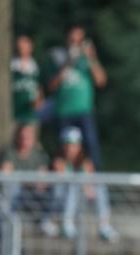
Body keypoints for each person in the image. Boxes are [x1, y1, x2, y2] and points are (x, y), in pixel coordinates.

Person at [47, 24, 107, 168]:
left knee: (91, 147)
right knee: (63, 149)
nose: (76, 42)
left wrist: (91, 58)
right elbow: (50, 86)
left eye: (79, 39)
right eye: (72, 39)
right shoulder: (57, 55)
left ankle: (94, 178)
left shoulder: (87, 58)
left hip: (84, 110)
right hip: (64, 111)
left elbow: (101, 81)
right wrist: (68, 62)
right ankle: (61, 176)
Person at [52, 126, 118, 241]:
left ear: (79, 146)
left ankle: (104, 226)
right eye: (67, 144)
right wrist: (84, 186)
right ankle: (67, 224)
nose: (70, 148)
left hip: (79, 198)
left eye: (73, 144)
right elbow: (64, 182)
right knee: (72, 186)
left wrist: (88, 187)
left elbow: (89, 182)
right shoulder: (58, 162)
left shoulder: (86, 162)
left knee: (100, 188)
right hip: (59, 200)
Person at [0, 122, 55, 236]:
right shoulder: (9, 152)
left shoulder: (38, 154)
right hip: (16, 193)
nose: (25, 139)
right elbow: (5, 174)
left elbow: (42, 180)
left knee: (49, 192)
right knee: (13, 188)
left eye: (28, 136)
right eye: (22, 136)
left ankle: (43, 222)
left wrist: (27, 181)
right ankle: (10, 222)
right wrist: (29, 180)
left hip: (32, 193)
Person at [11, 34, 46, 125]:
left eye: (24, 46)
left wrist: (39, 100)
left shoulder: (35, 66)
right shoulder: (11, 65)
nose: (21, 49)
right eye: (19, 47)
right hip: (13, 112)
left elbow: (39, 87)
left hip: (30, 113)